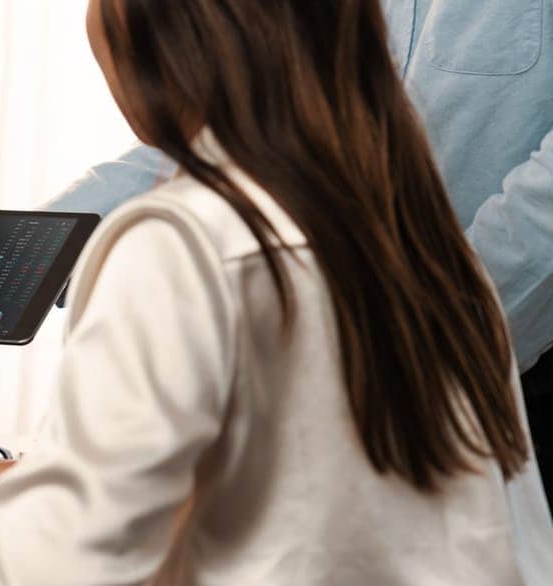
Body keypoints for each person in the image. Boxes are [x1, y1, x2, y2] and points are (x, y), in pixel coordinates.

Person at [0, 0, 553, 582]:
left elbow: (32, 579)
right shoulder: (430, 259)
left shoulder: (183, 245)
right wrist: (88, 484)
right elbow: (338, 512)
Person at [53, 0, 553, 498]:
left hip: (496, 363)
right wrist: (46, 237)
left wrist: (423, 344)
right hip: (366, 358)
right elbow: (247, 124)